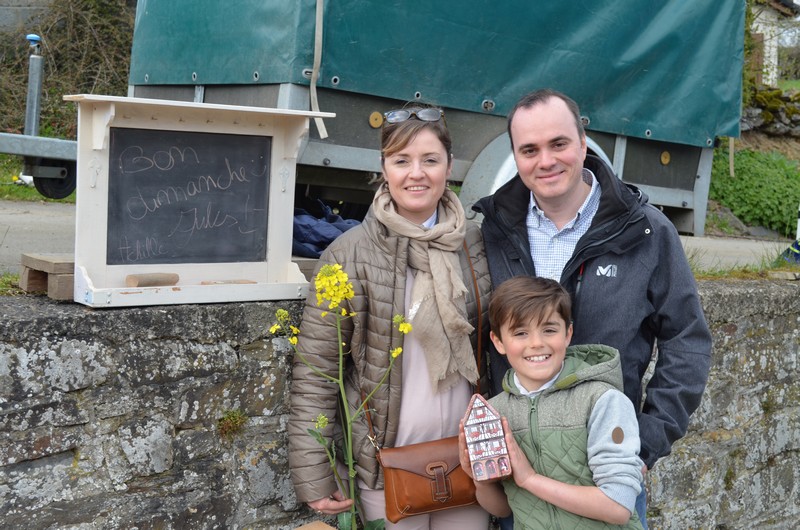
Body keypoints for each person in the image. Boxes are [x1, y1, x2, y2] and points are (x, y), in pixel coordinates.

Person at [473, 88, 712, 528]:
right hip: (520, 483)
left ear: (584, 144)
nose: (546, 161)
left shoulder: (645, 230)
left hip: (608, 477)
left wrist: (648, 440)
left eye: (558, 143)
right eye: (530, 149)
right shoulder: (493, 230)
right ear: (515, 156)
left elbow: (687, 340)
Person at [288, 105, 492, 529]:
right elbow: (317, 371)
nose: (416, 173)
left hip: (469, 460)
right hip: (387, 469)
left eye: (430, 160)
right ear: (384, 168)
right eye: (402, 161)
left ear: (449, 166)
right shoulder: (348, 255)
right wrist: (314, 470)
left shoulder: (474, 244)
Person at [459, 275, 645, 529]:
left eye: (549, 330)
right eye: (520, 333)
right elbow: (504, 508)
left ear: (568, 334)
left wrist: (530, 479)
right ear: (498, 342)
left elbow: (618, 506)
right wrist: (480, 480)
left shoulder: (602, 400)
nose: (537, 343)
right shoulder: (496, 411)